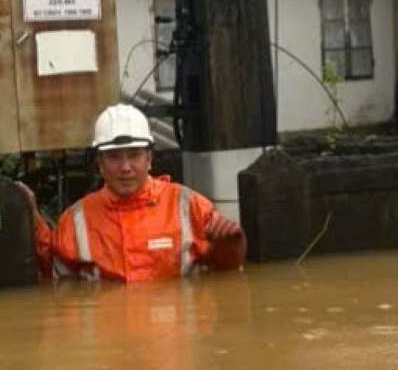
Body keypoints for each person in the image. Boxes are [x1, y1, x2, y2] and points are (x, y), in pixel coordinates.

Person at [24, 104, 246, 283]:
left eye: (134, 155)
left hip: (174, 339)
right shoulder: (75, 220)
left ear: (149, 159)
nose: (125, 167)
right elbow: (51, 277)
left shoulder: (190, 206)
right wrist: (31, 218)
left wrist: (231, 247)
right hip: (112, 338)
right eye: (114, 157)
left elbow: (225, 277)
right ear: (99, 164)